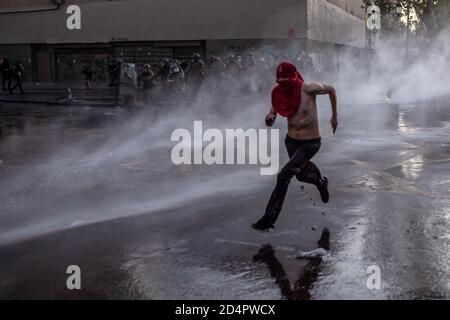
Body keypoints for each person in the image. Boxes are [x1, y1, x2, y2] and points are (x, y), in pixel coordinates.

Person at [252, 61, 338, 232]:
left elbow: (331, 89)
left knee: (283, 176)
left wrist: (334, 117)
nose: (284, 86)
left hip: (310, 143)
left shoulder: (308, 89)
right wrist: (269, 118)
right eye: (280, 82)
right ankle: (321, 183)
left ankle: (268, 219)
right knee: (300, 175)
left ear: (294, 78)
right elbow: (272, 112)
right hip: (291, 142)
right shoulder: (279, 93)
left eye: (287, 82)